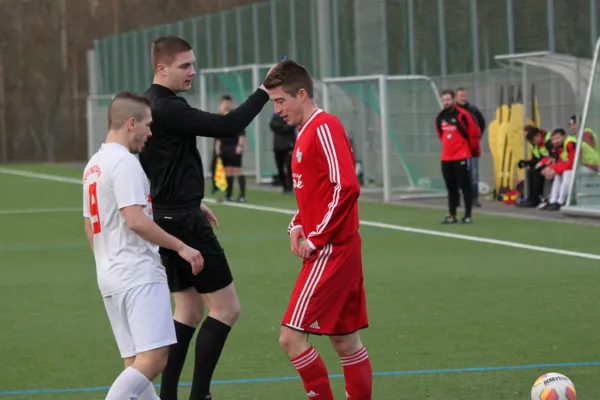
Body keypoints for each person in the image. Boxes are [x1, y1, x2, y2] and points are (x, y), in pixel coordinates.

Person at [138, 36, 273, 400]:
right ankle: (200, 395)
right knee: (227, 308)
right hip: (181, 222)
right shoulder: (168, 107)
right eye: (185, 66)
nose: (193, 72)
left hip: (167, 215)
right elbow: (228, 126)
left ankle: (169, 396)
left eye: (193, 64)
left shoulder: (148, 104)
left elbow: (160, 165)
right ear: (162, 68)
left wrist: (189, 200)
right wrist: (263, 90)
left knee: (189, 308)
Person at [82, 91, 203, 400]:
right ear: (131, 123)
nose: (150, 133)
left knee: (135, 363)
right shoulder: (125, 164)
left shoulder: (94, 165)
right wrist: (181, 247)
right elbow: (136, 220)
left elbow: (90, 226)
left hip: (110, 274)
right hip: (136, 273)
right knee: (155, 358)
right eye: (148, 126)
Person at [262, 60, 373, 400]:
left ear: (302, 94)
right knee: (345, 339)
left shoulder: (324, 126)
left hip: (331, 250)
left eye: (281, 101)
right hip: (335, 246)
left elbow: (346, 187)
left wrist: (317, 236)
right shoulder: (306, 130)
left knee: (290, 338)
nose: (277, 110)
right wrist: (298, 223)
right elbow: (317, 190)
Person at [435, 89, 481, 224]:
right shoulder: (440, 117)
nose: (446, 102)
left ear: (454, 99)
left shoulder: (463, 115)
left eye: (448, 99)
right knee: (451, 187)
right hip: (446, 157)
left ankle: (467, 215)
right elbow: (440, 134)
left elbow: (474, 133)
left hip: (461, 155)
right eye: (444, 100)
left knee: (465, 185)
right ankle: (452, 214)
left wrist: (470, 150)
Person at [456, 88, 486, 208]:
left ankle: (473, 198)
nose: (463, 98)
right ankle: (457, 199)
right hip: (458, 148)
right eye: (460, 96)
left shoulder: (473, 110)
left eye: (464, 96)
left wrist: (477, 138)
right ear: (456, 97)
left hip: (472, 147)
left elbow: (482, 123)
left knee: (473, 173)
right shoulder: (453, 111)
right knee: (459, 174)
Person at [215, 94, 247, 202]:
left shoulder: (235, 115)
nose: (226, 105)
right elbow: (218, 135)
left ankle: (242, 195)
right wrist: (217, 147)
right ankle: (229, 195)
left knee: (238, 170)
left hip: (234, 146)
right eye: (224, 103)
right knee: (227, 170)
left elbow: (242, 133)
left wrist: (239, 145)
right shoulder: (220, 116)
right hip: (225, 147)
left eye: (228, 102)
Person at [516, 125, 553, 208]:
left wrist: (542, 162)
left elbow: (553, 156)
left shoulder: (548, 140)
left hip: (553, 163)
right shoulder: (533, 144)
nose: (533, 142)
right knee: (530, 171)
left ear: (538, 135)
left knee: (537, 171)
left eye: (533, 140)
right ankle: (530, 198)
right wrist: (527, 162)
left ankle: (536, 198)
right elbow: (536, 159)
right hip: (544, 163)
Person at [270, 112, 296, 193]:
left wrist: (282, 128)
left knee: (290, 167)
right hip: (278, 147)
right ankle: (284, 186)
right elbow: (272, 125)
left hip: (289, 146)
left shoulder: (291, 114)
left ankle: (290, 187)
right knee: (280, 167)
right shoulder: (276, 116)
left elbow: (291, 126)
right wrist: (284, 127)